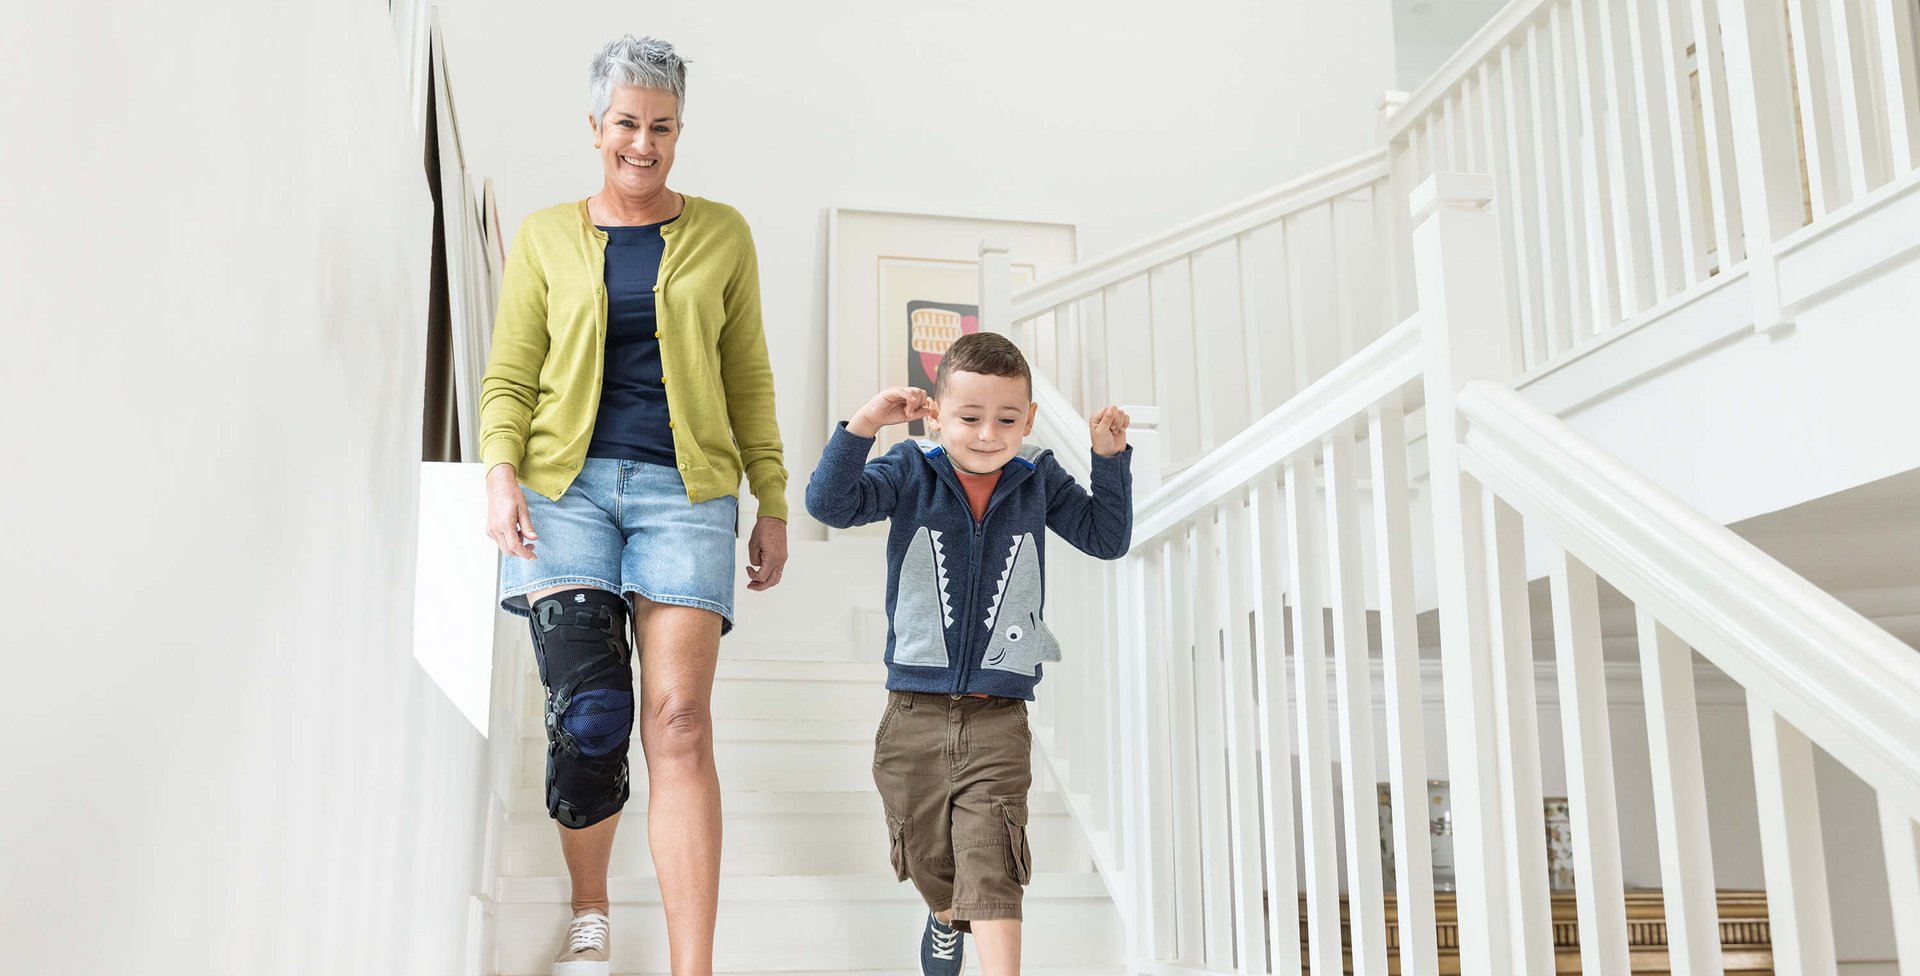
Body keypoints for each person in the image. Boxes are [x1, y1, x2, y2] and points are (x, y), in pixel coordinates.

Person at [479, 35, 789, 976]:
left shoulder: (724, 234)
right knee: (592, 711)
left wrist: (771, 498)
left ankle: (694, 967)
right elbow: (508, 377)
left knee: (682, 721)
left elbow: (750, 379)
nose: (643, 144)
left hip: (685, 498)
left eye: (662, 127)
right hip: (560, 493)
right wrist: (498, 473)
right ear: (596, 126)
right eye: (627, 124)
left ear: (679, 129)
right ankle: (589, 908)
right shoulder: (541, 236)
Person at [804, 332, 1132, 976]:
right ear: (936, 415)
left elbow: (1104, 537)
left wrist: (1108, 461)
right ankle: (944, 913)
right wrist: (866, 425)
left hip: (998, 714)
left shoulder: (1038, 478)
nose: (988, 433)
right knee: (927, 853)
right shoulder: (910, 470)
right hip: (913, 711)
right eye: (970, 417)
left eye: (1007, 419)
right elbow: (829, 504)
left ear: (1029, 420)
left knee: (992, 855)